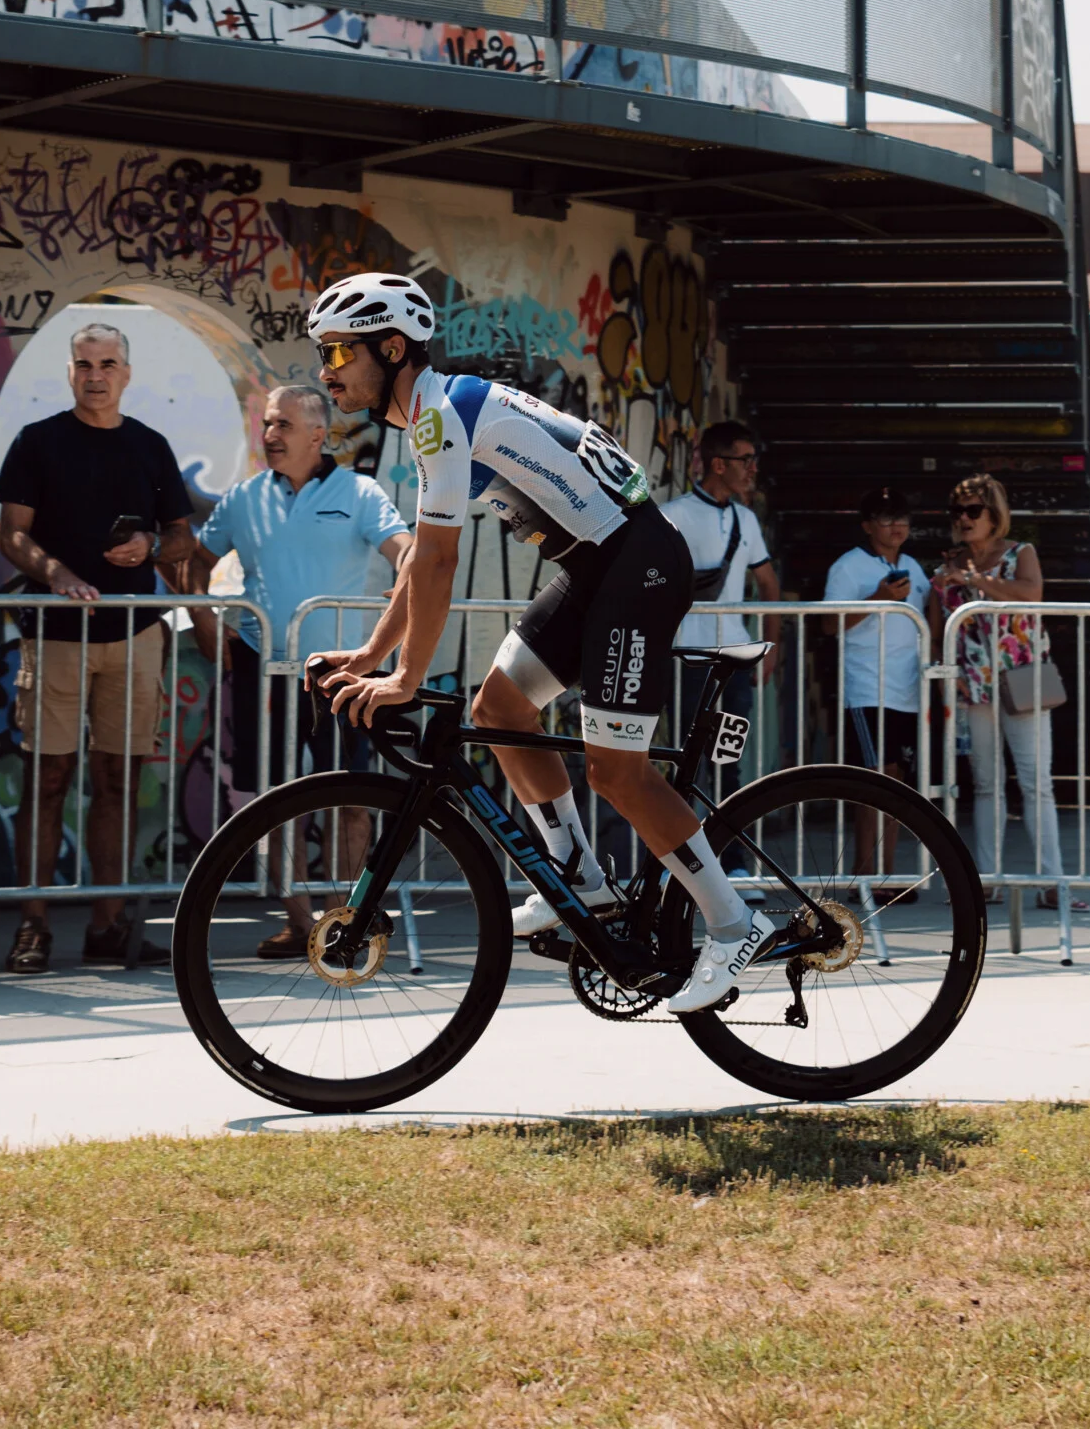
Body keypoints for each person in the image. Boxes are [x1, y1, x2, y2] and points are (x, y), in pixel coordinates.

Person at [306, 271, 781, 1014]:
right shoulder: (434, 410)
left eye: (337, 354)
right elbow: (421, 561)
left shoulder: (439, 415)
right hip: (599, 565)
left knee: (617, 772)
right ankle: (578, 879)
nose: (326, 371)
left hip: (638, 564)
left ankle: (734, 922)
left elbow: (436, 561)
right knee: (498, 713)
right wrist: (373, 657)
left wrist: (405, 677)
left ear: (391, 347)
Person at [0, 322, 198, 974]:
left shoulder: (150, 446)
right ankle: (33, 926)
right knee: (47, 780)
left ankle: (108, 925)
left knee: (118, 781)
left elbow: (183, 537)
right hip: (56, 636)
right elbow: (10, 535)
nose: (95, 374)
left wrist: (152, 550)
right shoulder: (38, 442)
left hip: (134, 635)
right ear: (71, 371)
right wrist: (56, 574)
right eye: (84, 363)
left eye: (107, 363)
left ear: (126, 373)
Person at [186, 382, 411, 958]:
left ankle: (344, 923)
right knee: (273, 801)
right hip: (264, 671)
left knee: (351, 799)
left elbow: (405, 549)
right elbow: (196, 562)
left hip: (341, 676)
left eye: (283, 424)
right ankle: (299, 922)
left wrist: (408, 579)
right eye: (266, 424)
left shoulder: (360, 492)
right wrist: (205, 620)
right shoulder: (243, 498)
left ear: (318, 434)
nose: (270, 435)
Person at [926, 473, 1084, 912]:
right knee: (985, 784)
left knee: (1037, 782)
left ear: (995, 513)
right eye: (957, 511)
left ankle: (1052, 880)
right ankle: (986, 880)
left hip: (1023, 674)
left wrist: (977, 581)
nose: (963, 519)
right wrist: (947, 669)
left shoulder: (1020, 553)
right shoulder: (946, 567)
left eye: (973, 510)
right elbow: (936, 628)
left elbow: (1031, 594)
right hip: (974, 681)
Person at [659, 422, 780, 884]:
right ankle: (679, 866)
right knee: (687, 762)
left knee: (729, 761)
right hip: (690, 658)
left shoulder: (747, 520)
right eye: (745, 460)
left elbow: (768, 583)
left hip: (739, 659)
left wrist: (772, 647)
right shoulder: (675, 515)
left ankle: (731, 863)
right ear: (718, 464)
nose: (752, 470)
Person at [823, 484, 928, 901]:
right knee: (873, 782)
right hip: (867, 689)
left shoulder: (915, 567)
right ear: (868, 526)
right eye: (886, 519)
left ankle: (886, 875)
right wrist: (879, 598)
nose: (896, 526)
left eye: (902, 518)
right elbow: (828, 625)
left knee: (898, 783)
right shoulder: (848, 567)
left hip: (907, 692)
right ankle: (863, 875)